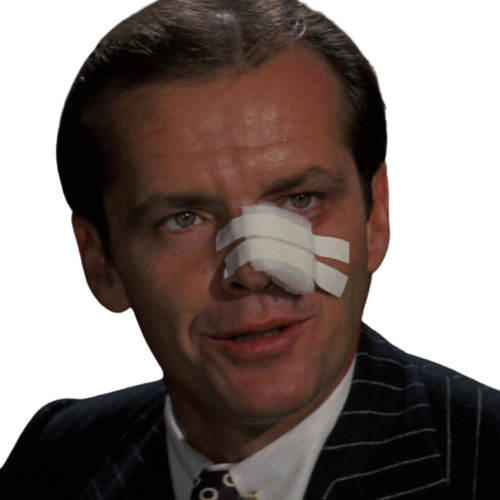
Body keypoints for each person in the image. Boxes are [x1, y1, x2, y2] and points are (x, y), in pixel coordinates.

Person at [1, 1, 499, 499]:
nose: (254, 270)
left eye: (300, 201)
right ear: (100, 262)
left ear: (377, 217)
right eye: (183, 219)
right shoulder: (55, 462)